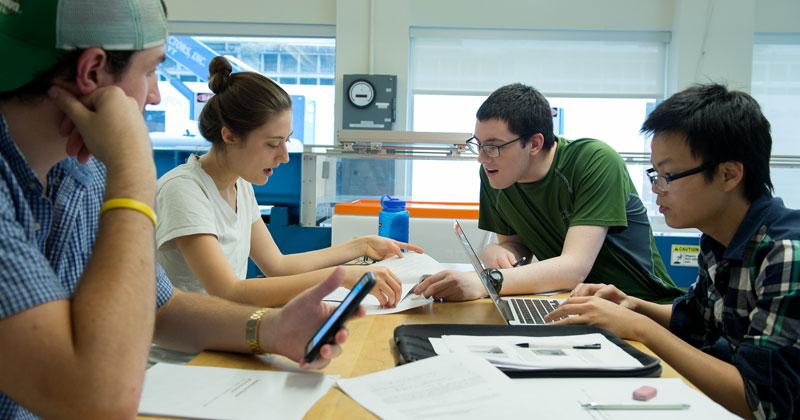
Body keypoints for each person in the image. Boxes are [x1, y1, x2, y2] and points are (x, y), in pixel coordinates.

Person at [0, 1, 358, 418]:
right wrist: (133, 169)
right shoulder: (114, 170)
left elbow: (162, 307)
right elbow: (98, 402)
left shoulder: (85, 172)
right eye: (151, 70)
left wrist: (270, 329)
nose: (154, 93)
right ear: (93, 72)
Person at [545, 83, 800, 418]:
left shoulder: (786, 254)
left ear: (729, 174)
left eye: (668, 175)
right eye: (655, 174)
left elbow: (762, 404)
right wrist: (631, 305)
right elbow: (694, 320)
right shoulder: (719, 239)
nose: (656, 189)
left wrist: (638, 327)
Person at [155, 56, 423, 309]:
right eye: (273, 144)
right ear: (230, 136)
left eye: (286, 141)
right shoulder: (183, 190)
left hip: (220, 334)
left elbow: (278, 265)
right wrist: (342, 276)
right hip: (182, 354)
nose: (283, 157)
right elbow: (229, 291)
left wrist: (361, 246)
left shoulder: (240, 186)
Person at [416, 83, 682, 303]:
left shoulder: (593, 161)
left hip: (639, 305)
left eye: (494, 146)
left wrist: (487, 281)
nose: (483, 158)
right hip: (573, 302)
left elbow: (573, 267)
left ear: (534, 143)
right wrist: (499, 252)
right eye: (479, 145)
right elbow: (518, 244)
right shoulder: (495, 174)